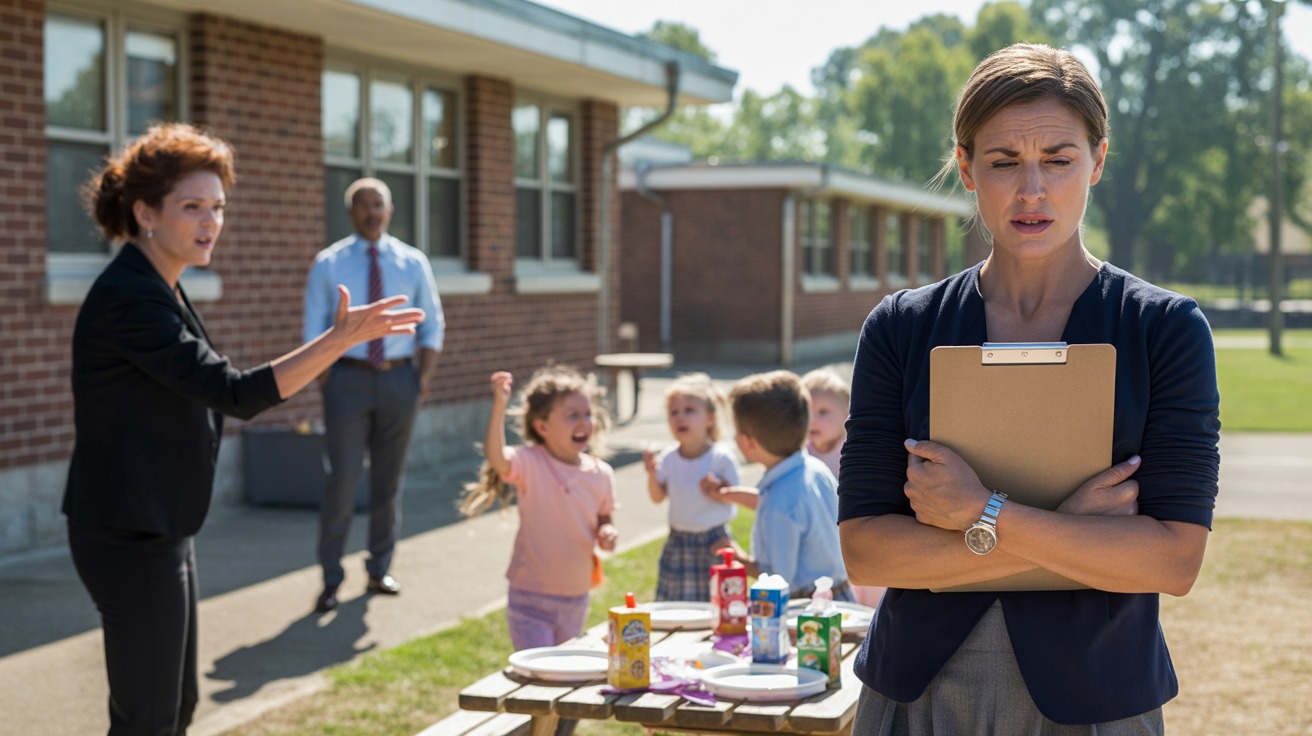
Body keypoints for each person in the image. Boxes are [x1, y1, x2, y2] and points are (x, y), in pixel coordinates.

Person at [838, 43, 1220, 733]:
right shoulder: (900, 328)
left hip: (1095, 701)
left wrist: (983, 512)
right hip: (916, 697)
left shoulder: (1164, 329)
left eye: (1059, 159)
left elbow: (1172, 558)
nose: (1031, 190)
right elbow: (868, 551)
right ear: (966, 167)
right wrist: (1071, 532)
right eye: (1004, 162)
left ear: (1098, 161)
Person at [64, 123, 424, 736]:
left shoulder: (161, 286)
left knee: (174, 710)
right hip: (129, 534)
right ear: (145, 212)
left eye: (218, 207)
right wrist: (338, 341)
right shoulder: (131, 297)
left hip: (162, 525)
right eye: (192, 207)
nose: (211, 222)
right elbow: (233, 393)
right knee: (147, 720)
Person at [304, 177, 445, 613]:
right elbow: (313, 329)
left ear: (390, 210)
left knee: (388, 482)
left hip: (399, 380)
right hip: (346, 380)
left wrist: (420, 378)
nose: (372, 213)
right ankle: (331, 578)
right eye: (364, 206)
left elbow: (433, 323)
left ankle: (379, 568)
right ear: (351, 213)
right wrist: (327, 379)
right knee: (342, 479)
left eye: (379, 206)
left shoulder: (412, 262)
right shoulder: (329, 264)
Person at [460, 365, 619, 650]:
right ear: (542, 427)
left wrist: (607, 530)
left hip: (575, 595)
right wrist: (499, 404)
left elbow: (604, 516)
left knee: (562, 674)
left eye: (587, 413)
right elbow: (496, 457)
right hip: (529, 597)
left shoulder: (601, 474)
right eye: (572, 415)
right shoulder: (529, 463)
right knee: (538, 674)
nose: (584, 420)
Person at [715, 370, 854, 602]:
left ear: (746, 442)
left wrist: (738, 558)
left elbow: (777, 580)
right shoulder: (816, 469)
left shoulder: (779, 500)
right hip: (840, 598)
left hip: (806, 616)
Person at [641, 373, 741, 601]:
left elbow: (734, 496)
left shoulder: (721, 458)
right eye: (673, 412)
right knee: (674, 605)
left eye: (689, 410)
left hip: (713, 541)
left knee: (716, 603)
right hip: (678, 542)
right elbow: (658, 497)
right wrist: (651, 474)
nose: (680, 417)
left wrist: (719, 488)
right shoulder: (668, 458)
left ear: (710, 418)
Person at [801, 367, 886, 609]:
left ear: (847, 412)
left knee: (867, 586)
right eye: (806, 412)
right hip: (824, 537)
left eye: (823, 412)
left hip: (856, 529)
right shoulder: (804, 453)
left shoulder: (852, 449)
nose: (813, 420)